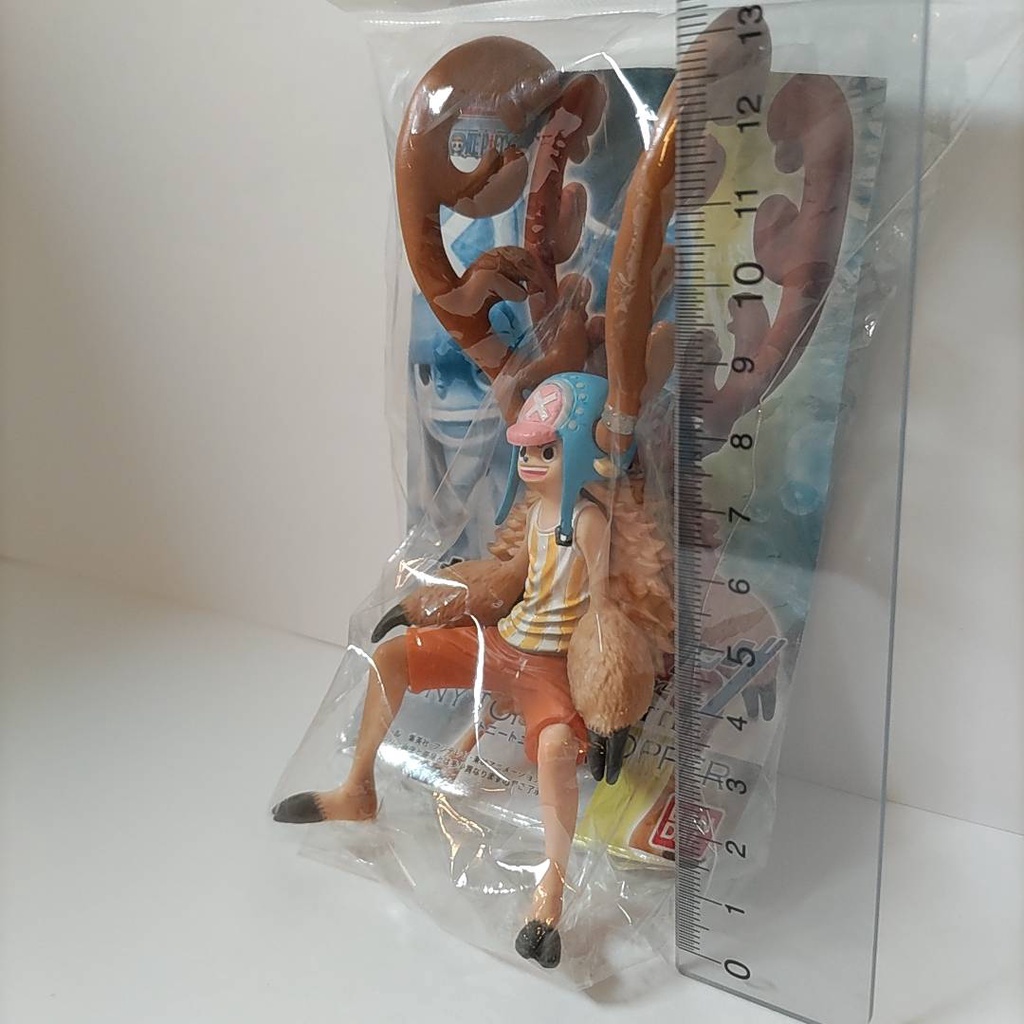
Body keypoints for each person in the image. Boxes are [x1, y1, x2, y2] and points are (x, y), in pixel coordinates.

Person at [273, 373, 613, 969]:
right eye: (527, 450)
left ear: (583, 450)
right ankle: (358, 789)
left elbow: (605, 612)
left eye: (548, 451)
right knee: (392, 655)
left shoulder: (588, 523)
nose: (531, 463)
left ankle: (549, 893)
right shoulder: (536, 513)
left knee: (557, 746)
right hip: (503, 642)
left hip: (550, 668)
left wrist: (608, 701)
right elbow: (509, 580)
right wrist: (442, 597)